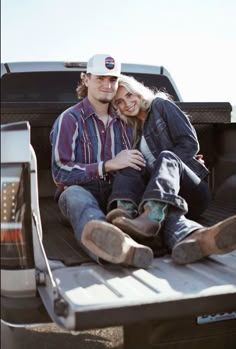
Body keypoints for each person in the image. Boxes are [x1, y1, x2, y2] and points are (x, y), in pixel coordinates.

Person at [106, 74, 236, 264]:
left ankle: (151, 217)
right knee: (129, 161)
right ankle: (126, 217)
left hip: (192, 191)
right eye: (120, 101)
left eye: (129, 95)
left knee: (166, 157)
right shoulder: (134, 130)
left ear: (138, 92)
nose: (127, 103)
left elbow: (190, 144)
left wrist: (167, 165)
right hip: (166, 199)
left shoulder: (160, 106)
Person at [50, 54, 154, 269]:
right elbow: (60, 171)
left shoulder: (127, 120)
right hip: (81, 191)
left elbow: (146, 154)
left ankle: (190, 235)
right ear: (86, 79)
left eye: (112, 80)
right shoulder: (70, 119)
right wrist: (107, 165)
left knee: (150, 200)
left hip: (120, 193)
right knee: (75, 195)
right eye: (100, 79)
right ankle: (115, 248)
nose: (107, 85)